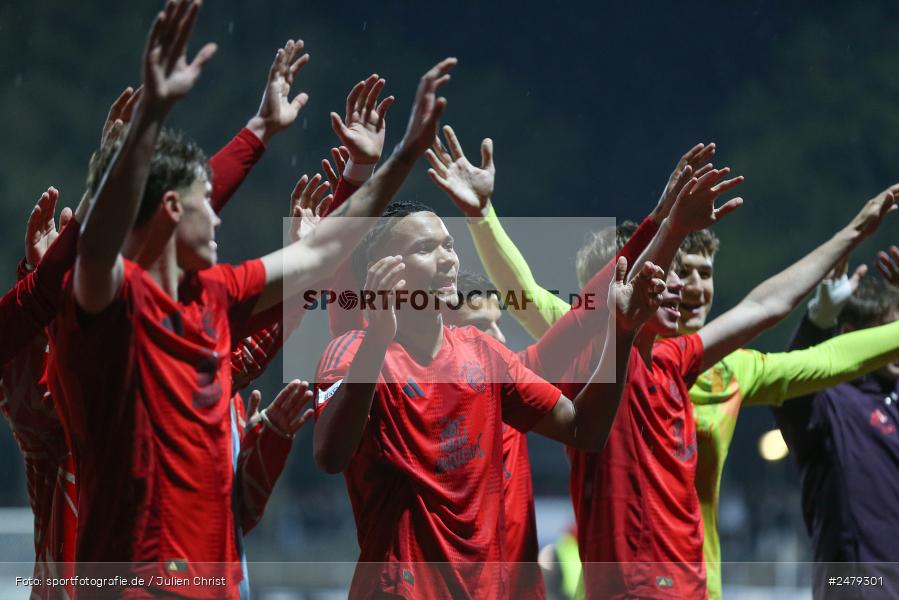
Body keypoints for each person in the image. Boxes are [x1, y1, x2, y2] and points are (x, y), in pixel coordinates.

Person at [48, 1, 456, 596]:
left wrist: (391, 163)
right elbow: (97, 243)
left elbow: (319, 255)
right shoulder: (106, 306)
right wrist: (152, 117)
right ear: (167, 211)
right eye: (205, 200)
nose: (219, 214)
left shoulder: (212, 296)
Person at [312, 190, 665, 598]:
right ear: (381, 271)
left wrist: (622, 334)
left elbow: (584, 429)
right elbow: (330, 456)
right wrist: (378, 338)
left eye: (449, 244)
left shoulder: (483, 354)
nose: (448, 259)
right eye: (425, 248)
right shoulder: (354, 351)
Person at [774, 253, 899, 600]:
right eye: (887, 332)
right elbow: (790, 387)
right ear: (849, 335)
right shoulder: (830, 402)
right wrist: (818, 320)